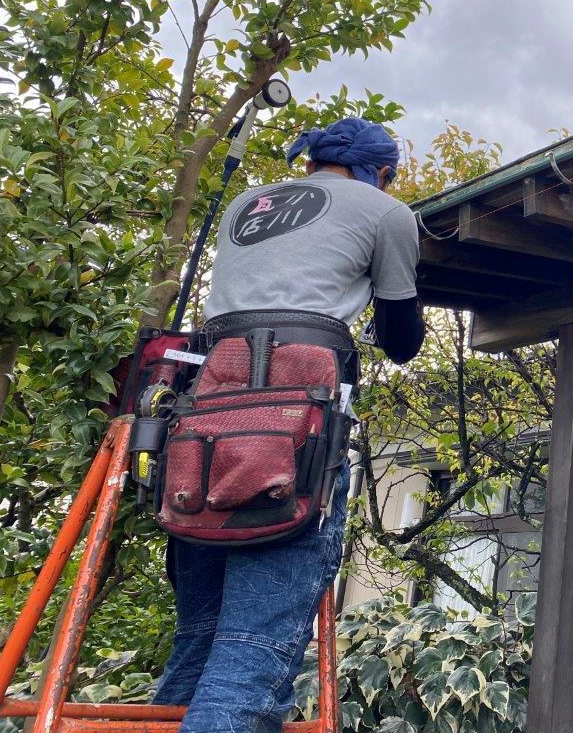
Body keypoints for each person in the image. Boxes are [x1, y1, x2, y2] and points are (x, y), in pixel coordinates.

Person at [153, 116, 423, 733]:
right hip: (295, 426)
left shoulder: (249, 203)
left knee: (196, 641)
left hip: (203, 420)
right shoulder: (386, 210)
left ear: (312, 163)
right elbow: (400, 340)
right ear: (380, 173)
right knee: (253, 655)